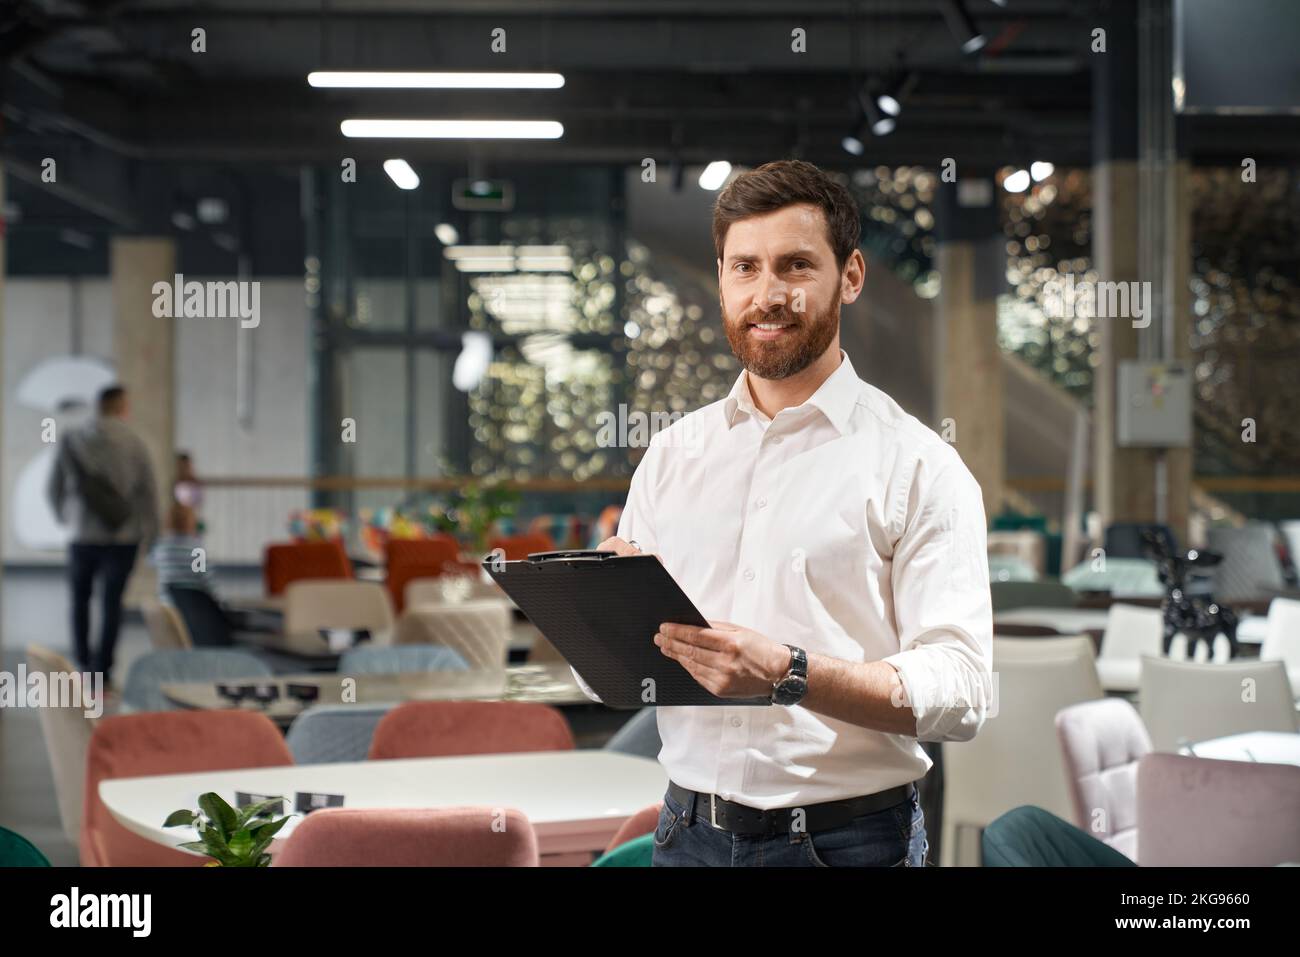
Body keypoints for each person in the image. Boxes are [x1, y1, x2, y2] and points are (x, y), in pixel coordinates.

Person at [575, 160, 993, 867]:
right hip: (687, 833)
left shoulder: (919, 465)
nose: (767, 295)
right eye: (745, 268)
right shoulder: (673, 455)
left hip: (849, 843)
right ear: (722, 278)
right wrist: (602, 614)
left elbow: (962, 690)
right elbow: (609, 682)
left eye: (795, 266)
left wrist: (790, 672)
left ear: (851, 276)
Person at [47, 384, 159, 684]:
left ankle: (82, 662)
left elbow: (54, 485)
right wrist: (153, 534)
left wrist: (64, 516)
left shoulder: (72, 439)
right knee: (112, 603)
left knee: (79, 600)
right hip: (123, 536)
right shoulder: (135, 442)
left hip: (82, 534)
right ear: (123, 407)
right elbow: (148, 492)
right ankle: (102, 670)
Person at [149, 502, 215, 600]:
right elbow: (206, 582)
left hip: (168, 603)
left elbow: (150, 562)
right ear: (192, 523)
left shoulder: (161, 547)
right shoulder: (197, 550)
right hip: (192, 605)